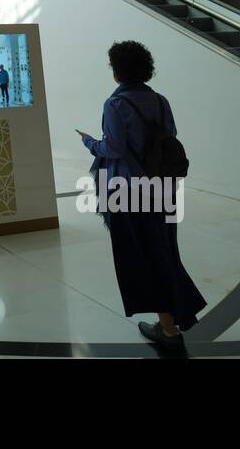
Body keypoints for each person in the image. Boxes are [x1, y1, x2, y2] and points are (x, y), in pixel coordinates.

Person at [76, 41, 206, 347]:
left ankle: (168, 329)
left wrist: (90, 142)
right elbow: (169, 137)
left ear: (118, 71)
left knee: (144, 257)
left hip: (130, 192)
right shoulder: (160, 101)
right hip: (164, 188)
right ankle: (175, 317)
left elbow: (115, 148)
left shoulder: (115, 105)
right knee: (164, 251)